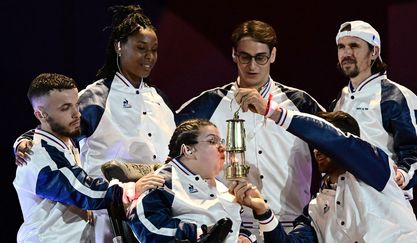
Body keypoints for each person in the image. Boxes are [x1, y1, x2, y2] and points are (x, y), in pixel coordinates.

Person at [13, 5, 176, 242]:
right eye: (141, 48)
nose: (149, 56)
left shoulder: (159, 99)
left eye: (154, 50)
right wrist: (23, 140)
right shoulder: (95, 97)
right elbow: (54, 126)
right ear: (119, 46)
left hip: (158, 209)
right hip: (111, 213)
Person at [175, 20, 325, 238]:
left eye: (260, 57)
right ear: (234, 55)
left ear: (273, 55)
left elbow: (340, 144)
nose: (252, 66)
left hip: (289, 227)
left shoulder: (300, 104)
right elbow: (172, 156)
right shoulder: (207, 105)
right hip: (230, 228)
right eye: (245, 57)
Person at [228, 94, 417, 242]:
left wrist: (273, 111)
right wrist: (263, 210)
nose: (317, 150)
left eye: (322, 144)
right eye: (314, 145)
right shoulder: (314, 209)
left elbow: (336, 141)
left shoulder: (375, 168)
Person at [13, 73, 164, 242]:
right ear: (41, 115)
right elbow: (82, 190)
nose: (76, 113)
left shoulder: (62, 140)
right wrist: (131, 190)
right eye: (65, 108)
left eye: (76, 104)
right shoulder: (37, 156)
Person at [330, 20, 417, 196]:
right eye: (341, 46)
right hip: (343, 202)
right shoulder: (340, 99)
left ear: (374, 51)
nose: (346, 53)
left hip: (384, 203)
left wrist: (403, 175)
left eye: (354, 46)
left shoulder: (397, 96)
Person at [127, 119, 256, 242]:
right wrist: (198, 233)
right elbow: (149, 226)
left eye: (220, 141)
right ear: (188, 150)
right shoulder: (163, 181)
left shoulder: (221, 186)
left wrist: (245, 237)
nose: (222, 148)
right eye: (212, 141)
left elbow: (232, 226)